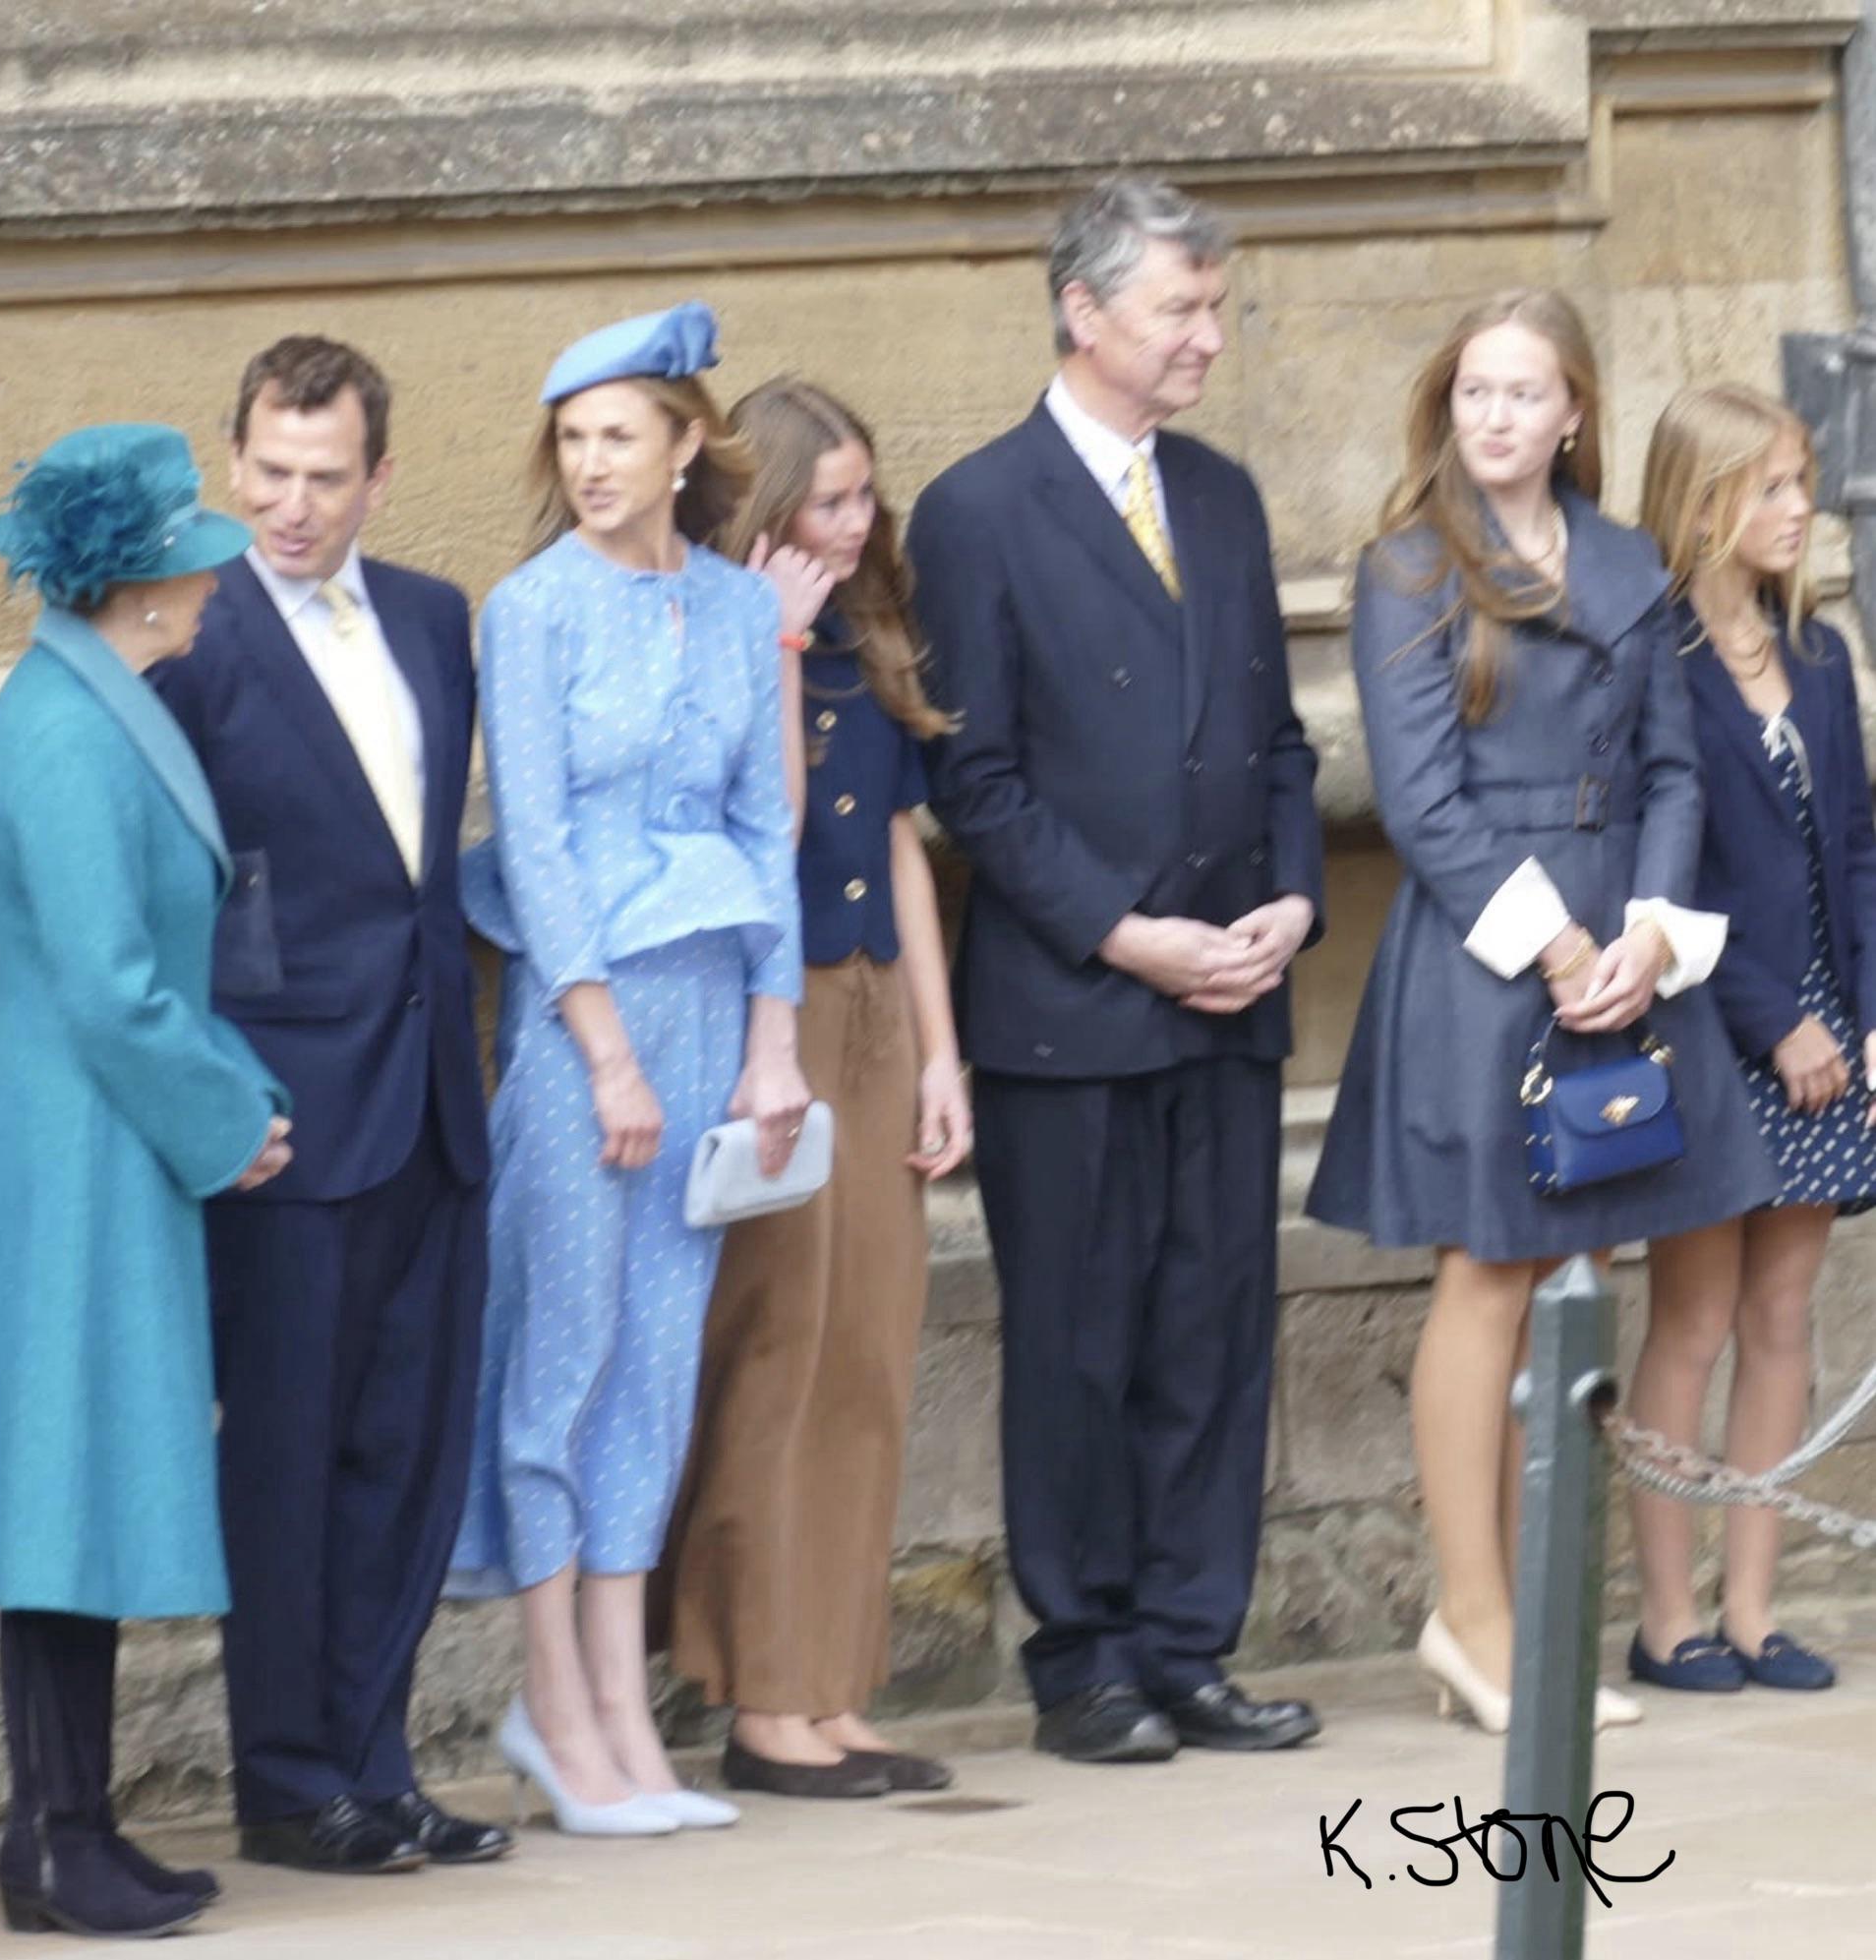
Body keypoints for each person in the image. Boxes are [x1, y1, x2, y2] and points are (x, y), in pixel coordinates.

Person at [1304, 293, 1781, 1733]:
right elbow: (1417, 800)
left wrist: (1647, 931)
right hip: (1487, 953)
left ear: (1575, 410)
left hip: (1620, 944)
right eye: (1474, 393)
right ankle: (1473, 1620)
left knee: (1581, 1275)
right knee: (1490, 1274)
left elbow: (1674, 771)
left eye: (1524, 393)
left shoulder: (1629, 560)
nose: (1496, 417)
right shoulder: (1408, 565)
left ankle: (1530, 1623)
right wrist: (1560, 945)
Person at [908, 178, 1325, 1765]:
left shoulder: (1222, 494)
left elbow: (1280, 741)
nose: (1209, 337)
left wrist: (1295, 899)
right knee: (1078, 1344)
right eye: (1180, 310)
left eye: (1216, 307)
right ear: (1083, 312)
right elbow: (976, 781)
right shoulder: (976, 510)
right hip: (1071, 1010)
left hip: (1234, 992)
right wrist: (1122, 931)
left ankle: (1186, 1641)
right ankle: (1081, 1657)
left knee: (1213, 1331)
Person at [448, 303, 809, 1834]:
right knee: (564, 1350)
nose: (593, 464)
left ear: (684, 446)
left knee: (657, 1362)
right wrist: (601, 1050)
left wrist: (773, 1040)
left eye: (618, 435)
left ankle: (621, 1706)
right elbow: (531, 842)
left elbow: (765, 829)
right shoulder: (529, 609)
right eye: (572, 440)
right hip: (577, 1020)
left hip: (712, 1005)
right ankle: (553, 1700)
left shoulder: (736, 608)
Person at [148, 338, 506, 1873]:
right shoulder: (190, 636)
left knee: (406, 1452)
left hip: (431, 1101)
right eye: (269, 471)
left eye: (324, 476)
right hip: (286, 1120)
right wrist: (221, 1094)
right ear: (234, 461)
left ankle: (376, 1760)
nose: (290, 505)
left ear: (380, 477)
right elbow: (176, 892)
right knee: (286, 1463)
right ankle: (290, 1783)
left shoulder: (432, 616)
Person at [0, 424, 292, 1937]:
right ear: (140, 581)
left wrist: (227, 1096)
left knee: (80, 1481)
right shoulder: (64, 732)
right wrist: (227, 1121)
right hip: (81, 1142)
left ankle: (71, 1828)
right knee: (62, 1487)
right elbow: (107, 985)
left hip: (98, 1135)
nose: (219, 579)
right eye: (198, 557)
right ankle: (56, 1835)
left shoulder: (89, 704)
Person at [660, 378, 971, 1799]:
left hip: (874, 1009)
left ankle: (835, 1686)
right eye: (828, 501)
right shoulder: (717, 633)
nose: (856, 525)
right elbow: (766, 822)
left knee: (869, 1349)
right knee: (778, 1351)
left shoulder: (866, 628)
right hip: (764, 1024)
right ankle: (763, 1695)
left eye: (864, 497)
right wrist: (776, 643)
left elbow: (902, 849)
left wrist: (940, 1053)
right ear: (767, 509)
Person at [1625, 383, 1873, 1693]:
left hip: (1830, 1037)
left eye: (1802, 482)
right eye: (1771, 486)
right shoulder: (1653, 660)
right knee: (1696, 1318)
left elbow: (1861, 850)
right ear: (1704, 499)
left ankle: (1753, 1610)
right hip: (1719, 1028)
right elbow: (1669, 873)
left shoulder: (1817, 652)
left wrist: (1867, 1019)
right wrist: (1777, 1020)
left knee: (1785, 1316)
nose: (1798, 509)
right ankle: (1666, 1619)